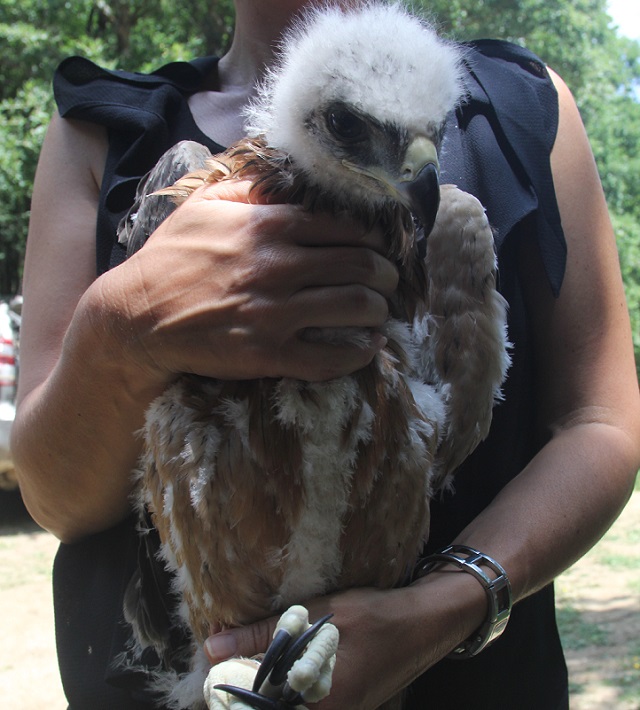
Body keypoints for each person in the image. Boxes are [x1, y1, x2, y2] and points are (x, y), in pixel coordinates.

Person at [12, 1, 640, 708]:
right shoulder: (100, 134)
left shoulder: (516, 111)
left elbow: (600, 423)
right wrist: (125, 324)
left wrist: (445, 607)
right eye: (352, 128)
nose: (407, 162)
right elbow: (54, 497)